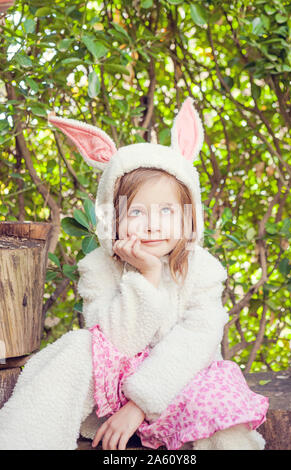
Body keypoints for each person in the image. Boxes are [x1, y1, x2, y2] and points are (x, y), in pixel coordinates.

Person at [0, 98, 268, 450]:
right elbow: (112, 343)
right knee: (75, 348)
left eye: (168, 210)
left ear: (190, 217)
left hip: (182, 381)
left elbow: (197, 342)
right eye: (137, 211)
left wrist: (141, 404)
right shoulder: (98, 267)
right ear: (113, 217)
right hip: (114, 388)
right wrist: (147, 276)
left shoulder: (201, 269)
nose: (154, 225)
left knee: (223, 407)